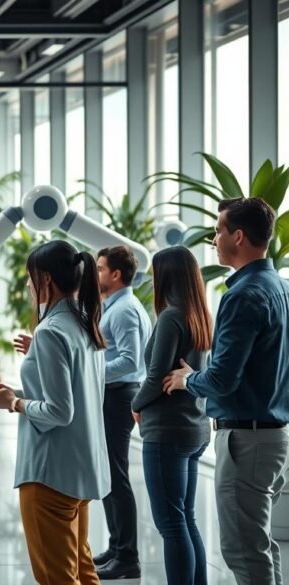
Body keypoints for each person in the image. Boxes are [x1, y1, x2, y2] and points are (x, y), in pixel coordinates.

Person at [164, 197, 289, 585]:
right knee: (260, 545)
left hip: (246, 441)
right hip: (272, 436)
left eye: (218, 230)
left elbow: (221, 379)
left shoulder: (242, 295)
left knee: (242, 550)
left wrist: (187, 380)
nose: (214, 239)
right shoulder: (281, 288)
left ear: (238, 236)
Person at [0, 240, 109, 585]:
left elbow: (59, 411)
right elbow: (80, 395)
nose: (28, 285)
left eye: (30, 277)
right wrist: (22, 393)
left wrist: (14, 403)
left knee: (57, 577)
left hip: (49, 473)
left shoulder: (50, 331)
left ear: (45, 279)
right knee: (83, 571)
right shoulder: (86, 323)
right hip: (80, 468)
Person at [130, 246, 211, 585]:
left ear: (167, 276)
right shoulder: (200, 316)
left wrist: (135, 404)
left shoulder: (171, 317)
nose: (152, 279)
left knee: (171, 523)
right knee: (185, 519)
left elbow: (155, 377)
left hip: (167, 432)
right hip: (194, 428)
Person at [94, 246, 151, 580]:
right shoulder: (116, 307)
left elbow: (130, 361)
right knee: (109, 473)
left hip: (118, 395)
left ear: (116, 274)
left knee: (116, 475)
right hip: (113, 393)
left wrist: (90, 371)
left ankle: (127, 556)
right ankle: (117, 547)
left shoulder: (125, 310)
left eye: (100, 268)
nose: (95, 274)